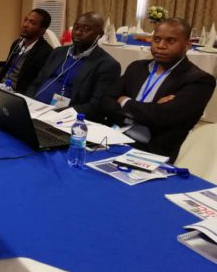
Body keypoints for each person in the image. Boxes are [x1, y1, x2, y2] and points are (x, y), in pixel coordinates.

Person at [102, 18, 215, 162]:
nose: (161, 46)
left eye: (170, 41)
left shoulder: (199, 80)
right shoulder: (137, 67)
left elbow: (162, 117)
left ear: (187, 45)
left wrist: (124, 101)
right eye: (157, 39)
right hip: (114, 136)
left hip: (152, 150)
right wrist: (152, 108)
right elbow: (106, 101)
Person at [26, 12, 120, 121]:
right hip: (36, 109)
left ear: (100, 34)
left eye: (86, 29)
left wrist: (55, 114)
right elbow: (36, 83)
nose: (78, 32)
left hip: (65, 117)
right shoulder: (58, 52)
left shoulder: (107, 65)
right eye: (76, 27)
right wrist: (28, 102)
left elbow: (95, 106)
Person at [0, 9, 53, 93]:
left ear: (42, 30)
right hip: (1, 87)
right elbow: (5, 69)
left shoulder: (46, 52)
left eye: (32, 23)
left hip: (18, 93)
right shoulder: (17, 43)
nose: (25, 25)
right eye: (25, 20)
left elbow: (36, 84)